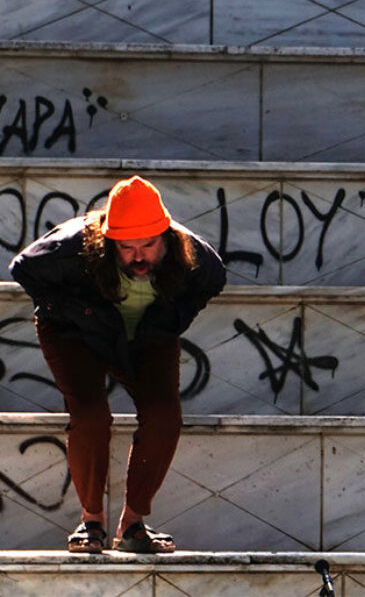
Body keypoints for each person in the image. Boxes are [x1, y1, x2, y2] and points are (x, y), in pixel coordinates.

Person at [9, 176, 226, 553]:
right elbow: (23, 268)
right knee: (91, 415)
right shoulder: (70, 246)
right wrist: (83, 313)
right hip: (74, 334)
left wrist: (172, 320)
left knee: (164, 416)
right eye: (126, 248)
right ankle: (91, 521)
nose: (138, 256)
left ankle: (132, 523)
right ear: (109, 243)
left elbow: (213, 281)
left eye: (148, 246)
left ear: (167, 238)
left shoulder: (193, 255)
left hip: (146, 334)